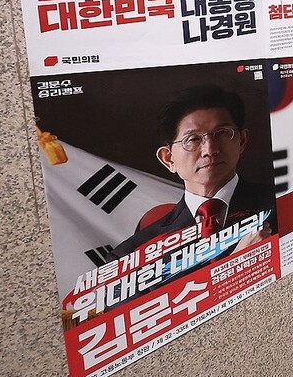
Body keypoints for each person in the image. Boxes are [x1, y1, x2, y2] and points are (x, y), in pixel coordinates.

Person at [109, 85, 274, 263]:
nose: (209, 150)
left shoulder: (282, 202)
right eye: (193, 139)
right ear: (168, 159)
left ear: (242, 140)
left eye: (221, 134)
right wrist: (235, 263)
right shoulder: (129, 257)